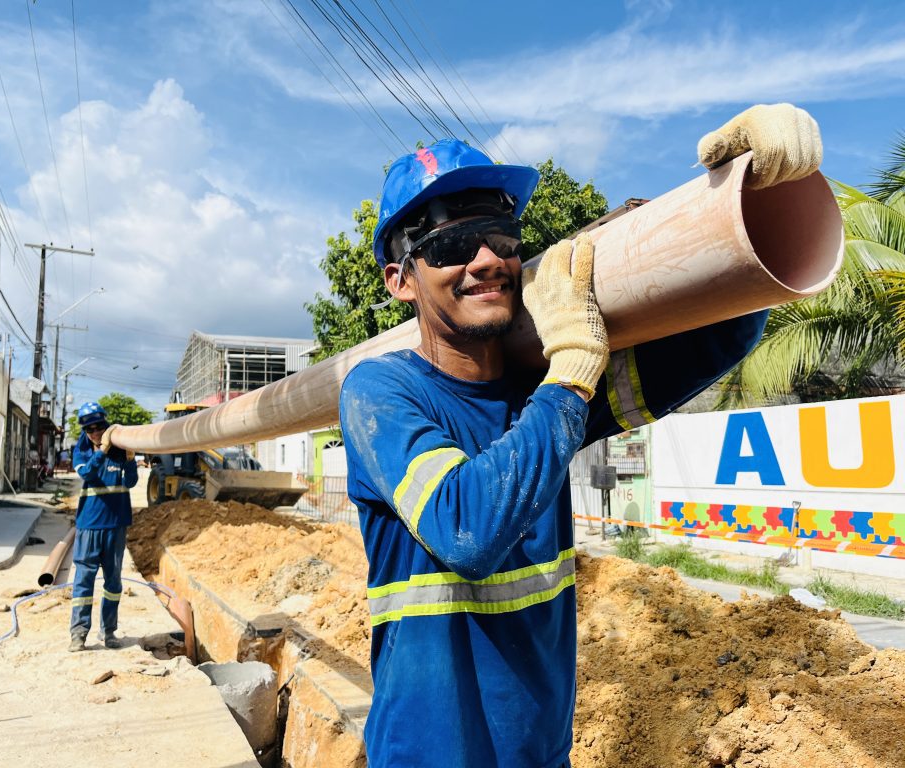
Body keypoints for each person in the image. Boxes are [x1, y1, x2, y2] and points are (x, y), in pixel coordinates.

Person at [339, 104, 822, 768]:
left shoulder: (542, 397)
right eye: (451, 245)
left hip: (541, 755)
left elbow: (721, 333)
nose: (486, 259)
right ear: (400, 280)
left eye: (501, 236)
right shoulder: (381, 392)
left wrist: (742, 197)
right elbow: (467, 530)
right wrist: (569, 372)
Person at [69, 401, 139, 652]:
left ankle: (109, 632)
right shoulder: (82, 452)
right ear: (85, 431)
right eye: (90, 429)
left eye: (100, 427)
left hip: (116, 525)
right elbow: (87, 474)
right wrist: (100, 451)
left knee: (113, 583)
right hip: (89, 526)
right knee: (83, 581)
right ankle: (78, 634)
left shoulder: (120, 450)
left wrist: (130, 458)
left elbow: (131, 482)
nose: (96, 432)